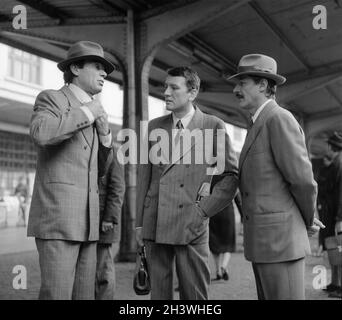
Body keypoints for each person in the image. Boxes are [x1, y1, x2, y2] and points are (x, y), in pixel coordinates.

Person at [136, 66, 238, 300]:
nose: (166, 92)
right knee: (159, 296)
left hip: (191, 224)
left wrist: (203, 211)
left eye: (174, 87)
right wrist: (139, 224)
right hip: (155, 222)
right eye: (165, 87)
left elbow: (230, 177)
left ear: (192, 93)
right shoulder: (154, 127)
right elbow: (145, 177)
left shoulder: (213, 126)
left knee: (194, 295)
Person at [228, 54, 324, 300]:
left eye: (243, 83)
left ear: (263, 85)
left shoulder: (278, 118)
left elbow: (301, 179)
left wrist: (308, 217)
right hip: (266, 243)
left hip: (280, 243)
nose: (236, 89)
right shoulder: (258, 122)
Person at [27, 41, 114, 300]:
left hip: (89, 222)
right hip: (59, 219)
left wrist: (106, 136)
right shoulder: (51, 98)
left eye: (105, 69)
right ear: (75, 68)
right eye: (97, 67)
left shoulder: (96, 113)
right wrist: (88, 111)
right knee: (57, 295)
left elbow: (101, 172)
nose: (104, 74)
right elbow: (41, 133)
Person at [95, 144, 125, 300]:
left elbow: (118, 188)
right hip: (93, 220)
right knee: (96, 267)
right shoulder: (92, 149)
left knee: (103, 267)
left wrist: (109, 218)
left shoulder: (114, 151)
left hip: (104, 221)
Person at [321, 132, 342, 298]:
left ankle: (340, 286)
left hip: (337, 216)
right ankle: (335, 283)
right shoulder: (336, 163)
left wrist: (340, 219)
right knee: (333, 249)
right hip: (331, 214)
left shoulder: (340, 164)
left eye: (327, 145)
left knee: (339, 250)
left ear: (331, 147)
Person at [209, 193, 242, 281]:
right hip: (228, 213)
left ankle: (218, 271)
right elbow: (238, 200)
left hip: (213, 213)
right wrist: (243, 216)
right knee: (228, 243)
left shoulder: (211, 180)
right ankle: (224, 266)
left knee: (215, 244)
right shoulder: (231, 179)